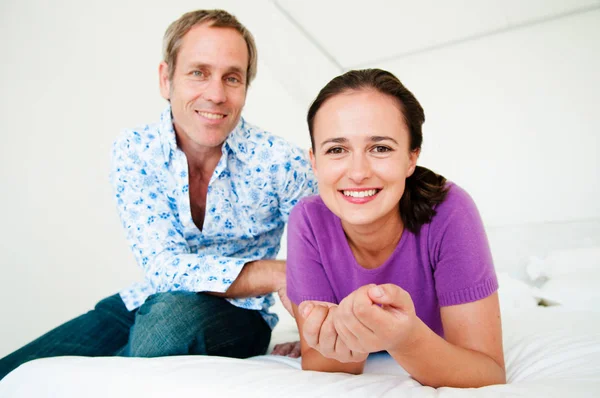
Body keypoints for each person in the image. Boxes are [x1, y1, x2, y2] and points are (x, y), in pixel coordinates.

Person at [0, 9, 314, 381]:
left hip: (238, 315)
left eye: (232, 78)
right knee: (15, 372)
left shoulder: (282, 163)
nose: (215, 94)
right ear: (167, 80)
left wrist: (315, 338)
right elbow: (164, 267)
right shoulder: (135, 150)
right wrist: (277, 273)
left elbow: (328, 254)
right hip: (144, 300)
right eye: (198, 72)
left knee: (166, 325)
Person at [286, 68, 505, 388]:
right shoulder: (307, 220)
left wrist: (405, 338)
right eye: (336, 149)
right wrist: (358, 328)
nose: (358, 172)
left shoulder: (451, 211)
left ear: (411, 157)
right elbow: (323, 366)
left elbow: (487, 372)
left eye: (381, 148)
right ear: (315, 161)